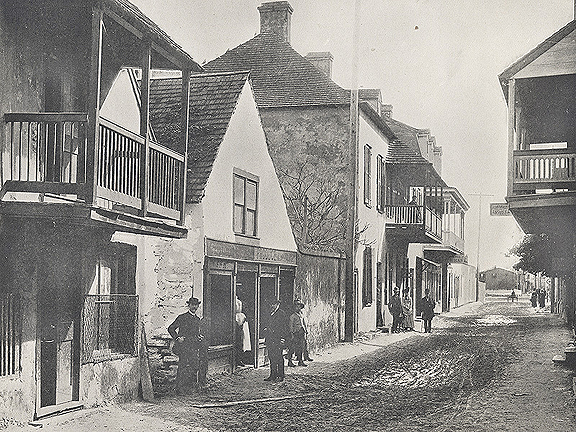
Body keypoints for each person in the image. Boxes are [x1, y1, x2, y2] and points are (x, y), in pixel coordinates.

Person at [168, 297, 207, 392]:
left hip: (193, 346)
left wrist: (199, 337)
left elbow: (196, 333)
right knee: (183, 366)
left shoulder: (197, 319)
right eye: (192, 304)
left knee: (194, 366)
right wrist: (177, 338)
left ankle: (189, 387)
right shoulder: (182, 317)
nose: (194, 307)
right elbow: (171, 328)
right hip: (184, 346)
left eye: (196, 305)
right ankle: (179, 388)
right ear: (188, 305)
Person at [263, 300, 288, 382]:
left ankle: (281, 375)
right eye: (271, 304)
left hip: (278, 339)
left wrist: (282, 339)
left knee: (279, 357)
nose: (272, 306)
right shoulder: (271, 313)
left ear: (278, 304)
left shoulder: (281, 314)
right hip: (270, 339)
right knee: (271, 357)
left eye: (273, 304)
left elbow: (284, 328)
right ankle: (273, 374)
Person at [288, 300, 307, 367]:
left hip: (301, 333)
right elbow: (290, 326)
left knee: (301, 347)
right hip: (295, 333)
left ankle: (300, 361)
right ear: (294, 308)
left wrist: (306, 330)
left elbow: (304, 323)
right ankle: (289, 361)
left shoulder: (301, 315)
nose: (298, 308)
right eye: (296, 306)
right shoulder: (292, 316)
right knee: (292, 348)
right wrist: (292, 334)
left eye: (299, 306)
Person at [235, 296, 251, 366]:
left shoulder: (241, 315)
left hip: (240, 320)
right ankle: (237, 359)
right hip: (237, 319)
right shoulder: (236, 315)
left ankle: (240, 358)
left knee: (242, 340)